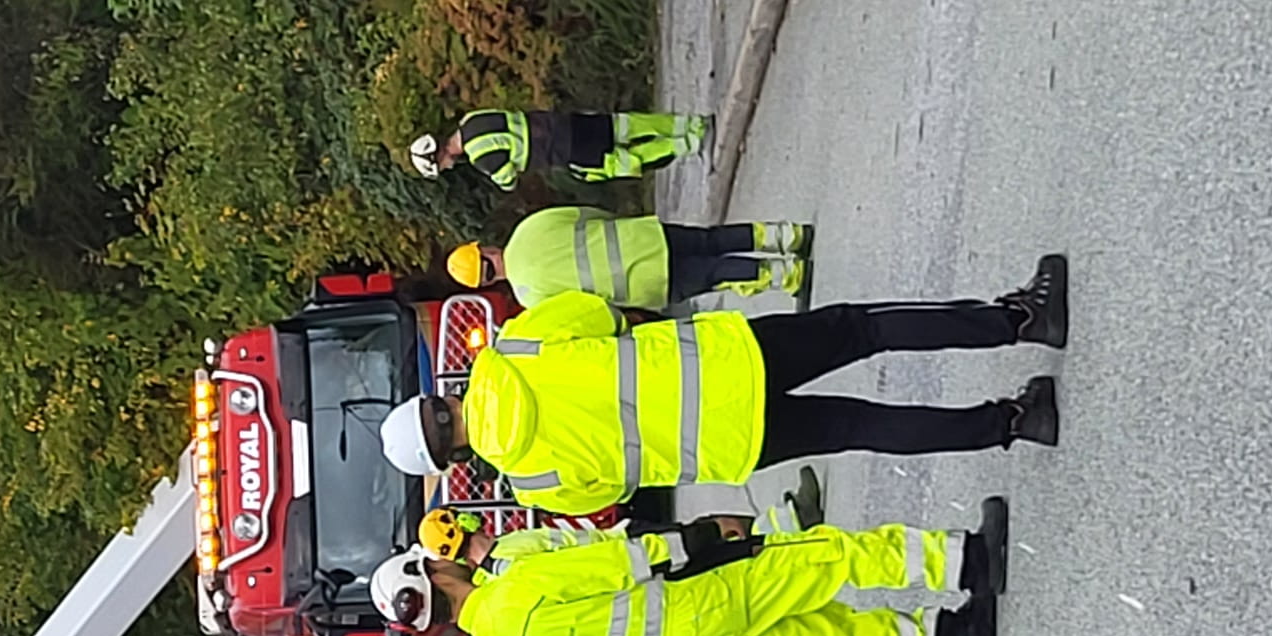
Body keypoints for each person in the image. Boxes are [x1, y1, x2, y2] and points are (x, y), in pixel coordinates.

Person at [376, 257, 1068, 510]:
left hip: (729, 442)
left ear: (453, 460)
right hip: (726, 362)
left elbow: (616, 490)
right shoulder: (517, 346)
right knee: (862, 329)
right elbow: (600, 313)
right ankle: (1021, 319)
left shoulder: (530, 483)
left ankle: (1012, 422)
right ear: (440, 396)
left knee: (861, 428)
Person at [385, 501, 1013, 636]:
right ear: (437, 577)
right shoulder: (513, 588)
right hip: (697, 599)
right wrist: (705, 534)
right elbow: (622, 561)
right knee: (827, 558)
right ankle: (965, 559)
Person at [449, 214, 811, 311]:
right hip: (641, 237)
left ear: (486, 282)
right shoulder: (529, 228)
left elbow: (586, 310)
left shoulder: (529, 298)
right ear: (485, 249)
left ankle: (785, 276)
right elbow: (588, 215)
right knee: (711, 239)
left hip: (641, 283)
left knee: (713, 275)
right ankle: (786, 235)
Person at [421, 108, 710, 188]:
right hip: (560, 122)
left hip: (562, 150)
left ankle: (686, 144)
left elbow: (507, 180)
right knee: (625, 126)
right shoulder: (472, 118)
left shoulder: (479, 157)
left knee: (623, 162)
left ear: (441, 156)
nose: (447, 167)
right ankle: (689, 124)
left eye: (442, 166)